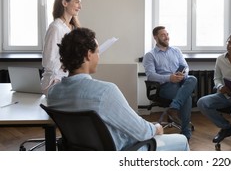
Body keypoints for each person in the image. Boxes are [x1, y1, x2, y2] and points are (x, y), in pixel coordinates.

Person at [47, 27, 189, 151]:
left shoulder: (53, 93)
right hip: (125, 150)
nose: (99, 56)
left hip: (87, 152)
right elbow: (142, 132)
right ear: (88, 55)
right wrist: (156, 127)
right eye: (97, 52)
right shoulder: (105, 92)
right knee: (181, 141)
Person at [143, 26, 197, 140]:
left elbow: (186, 67)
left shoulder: (176, 51)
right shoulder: (150, 55)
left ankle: (174, 107)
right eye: (163, 35)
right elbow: (150, 75)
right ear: (155, 37)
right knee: (186, 97)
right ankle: (185, 131)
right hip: (165, 86)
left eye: (167, 34)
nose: (166, 37)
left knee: (192, 78)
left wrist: (183, 74)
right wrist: (169, 78)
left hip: (181, 81)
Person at [41, 0, 82, 95]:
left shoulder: (73, 28)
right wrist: (68, 60)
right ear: (65, 3)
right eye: (77, 2)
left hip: (68, 78)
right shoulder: (55, 28)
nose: (80, 7)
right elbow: (48, 62)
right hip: (54, 82)